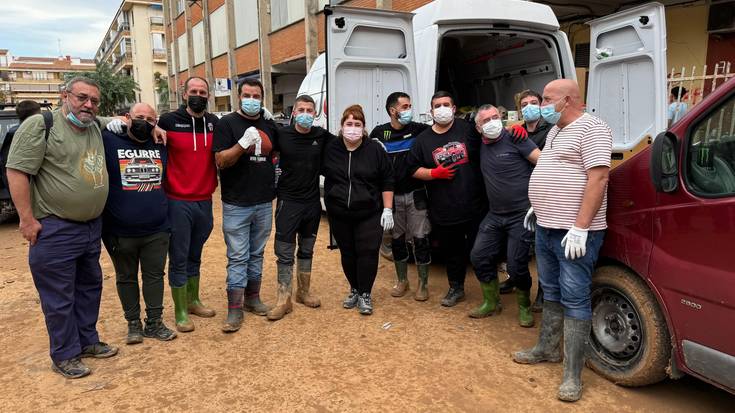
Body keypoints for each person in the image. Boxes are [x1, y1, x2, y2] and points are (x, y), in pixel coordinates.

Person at [6, 77, 119, 378]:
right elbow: (16, 171)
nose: (89, 105)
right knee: (59, 296)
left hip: (90, 227)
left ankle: (87, 341)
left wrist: (147, 123)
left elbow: (122, 119)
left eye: (94, 101)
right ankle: (65, 355)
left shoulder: (92, 124)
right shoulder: (41, 125)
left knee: (89, 287)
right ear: (64, 96)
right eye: (82, 98)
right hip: (56, 228)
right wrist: (27, 220)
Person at [512, 79, 612, 402]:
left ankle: (572, 374)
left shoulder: (592, 128)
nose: (540, 104)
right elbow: (553, 170)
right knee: (551, 290)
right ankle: (547, 348)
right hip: (546, 226)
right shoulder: (556, 130)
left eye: (546, 99)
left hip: (573, 233)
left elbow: (599, 178)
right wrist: (536, 204)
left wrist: (582, 227)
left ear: (566, 100)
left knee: (575, 297)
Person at [101, 102, 176, 344]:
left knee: (154, 276)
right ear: (126, 118)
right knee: (126, 277)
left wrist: (159, 130)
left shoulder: (160, 143)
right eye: (139, 117)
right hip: (119, 230)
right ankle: (133, 324)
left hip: (157, 228)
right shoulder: (109, 140)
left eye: (150, 119)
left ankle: (154, 323)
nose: (144, 122)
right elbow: (81, 119)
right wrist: (106, 120)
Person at [406, 91, 487, 306]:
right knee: (452, 253)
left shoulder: (468, 130)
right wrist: (433, 174)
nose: (441, 109)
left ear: (453, 108)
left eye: (446, 104)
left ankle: (490, 293)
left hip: (475, 204)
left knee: (482, 251)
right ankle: (456, 287)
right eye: (437, 105)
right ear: (431, 111)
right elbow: (412, 168)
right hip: (444, 207)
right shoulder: (423, 140)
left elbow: (490, 143)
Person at [213, 78, 278, 332]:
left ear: (262, 98)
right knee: (238, 255)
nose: (252, 99)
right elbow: (220, 161)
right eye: (247, 95)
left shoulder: (268, 123)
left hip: (263, 201)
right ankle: (235, 310)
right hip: (236, 203)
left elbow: (279, 152)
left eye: (257, 95)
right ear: (238, 97)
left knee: (257, 253)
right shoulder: (226, 123)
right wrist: (242, 144)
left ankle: (253, 298)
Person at [157, 76, 219, 332]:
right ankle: (180, 310)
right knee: (179, 257)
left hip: (204, 200)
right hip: (177, 201)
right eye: (193, 91)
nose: (198, 95)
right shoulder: (168, 121)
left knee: (196, 254)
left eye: (203, 92)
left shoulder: (214, 123)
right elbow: (148, 133)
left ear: (208, 96)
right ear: (184, 94)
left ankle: (193, 300)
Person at [469, 104, 540, 327]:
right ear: (478, 128)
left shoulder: (515, 137)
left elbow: (543, 162)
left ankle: (524, 306)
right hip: (495, 214)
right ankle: (492, 302)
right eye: (486, 121)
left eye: (495, 117)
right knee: (479, 256)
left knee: (517, 265)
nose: (492, 123)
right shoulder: (478, 144)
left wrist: (538, 202)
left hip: (521, 215)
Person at [266, 95, 334, 321]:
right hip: (288, 201)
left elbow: (347, 143)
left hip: (312, 203)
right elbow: (264, 147)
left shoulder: (321, 136)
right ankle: (283, 298)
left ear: (315, 114)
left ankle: (303, 292)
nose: (305, 113)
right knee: (284, 252)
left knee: (307, 248)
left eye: (309, 110)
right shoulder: (281, 134)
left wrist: (366, 137)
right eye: (301, 109)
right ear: (294, 112)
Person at [323, 104, 394, 315]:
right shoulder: (331, 148)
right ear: (342, 125)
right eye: (349, 123)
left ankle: (365, 293)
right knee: (348, 252)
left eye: (357, 124)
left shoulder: (374, 149)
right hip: (339, 213)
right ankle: (354, 288)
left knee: (368, 252)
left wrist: (387, 209)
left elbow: (387, 179)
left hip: (369, 212)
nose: (353, 128)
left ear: (364, 127)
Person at [369, 92, 432, 300]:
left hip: (416, 194)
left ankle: (423, 284)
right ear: (392, 110)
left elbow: (441, 132)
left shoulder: (419, 130)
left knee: (421, 238)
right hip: (392, 198)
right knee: (397, 239)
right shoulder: (379, 133)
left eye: (409, 106)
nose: (408, 110)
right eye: (405, 106)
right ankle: (402, 280)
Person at [502, 89, 553, 310]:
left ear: (541, 105)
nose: (530, 106)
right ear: (519, 108)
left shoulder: (551, 130)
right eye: (525, 103)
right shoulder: (516, 130)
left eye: (534, 102)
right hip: (519, 193)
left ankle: (543, 293)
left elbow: (550, 160)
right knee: (517, 243)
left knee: (541, 247)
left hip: (542, 192)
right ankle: (515, 278)